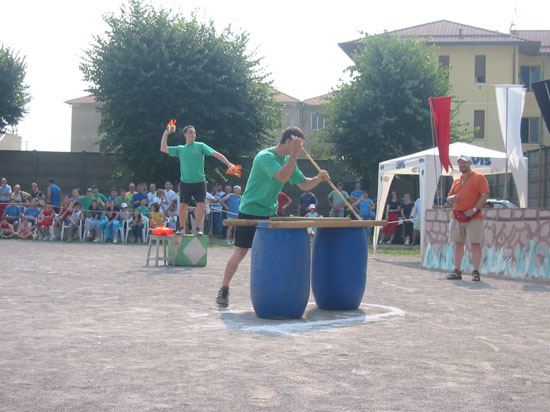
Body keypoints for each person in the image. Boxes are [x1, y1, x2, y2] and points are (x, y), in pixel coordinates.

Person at [216, 126, 330, 307]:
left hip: (270, 213)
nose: (301, 150)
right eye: (299, 145)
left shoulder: (288, 160)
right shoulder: (265, 157)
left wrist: (318, 178)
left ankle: (274, 290)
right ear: (289, 141)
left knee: (273, 252)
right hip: (250, 209)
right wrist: (294, 154)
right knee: (241, 251)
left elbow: (303, 184)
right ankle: (224, 288)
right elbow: (282, 177)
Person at [161, 123, 234, 235]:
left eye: (194, 132)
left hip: (200, 182)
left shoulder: (200, 146)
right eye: (190, 132)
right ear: (185, 134)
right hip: (186, 182)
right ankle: (181, 228)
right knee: (183, 205)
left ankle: (197, 228)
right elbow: (163, 148)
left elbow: (216, 154)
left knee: (201, 205)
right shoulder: (180, 149)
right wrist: (167, 132)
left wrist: (228, 164)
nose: (193, 134)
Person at [446, 155, 490, 281]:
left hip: (474, 217)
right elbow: (449, 197)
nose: (462, 165)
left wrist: (474, 209)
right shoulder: (456, 180)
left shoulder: (479, 177)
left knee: (475, 243)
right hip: (457, 216)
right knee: (458, 243)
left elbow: (485, 194)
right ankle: (457, 270)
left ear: (470, 163)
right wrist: (451, 199)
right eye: (460, 163)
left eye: (464, 163)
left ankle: (476, 272)